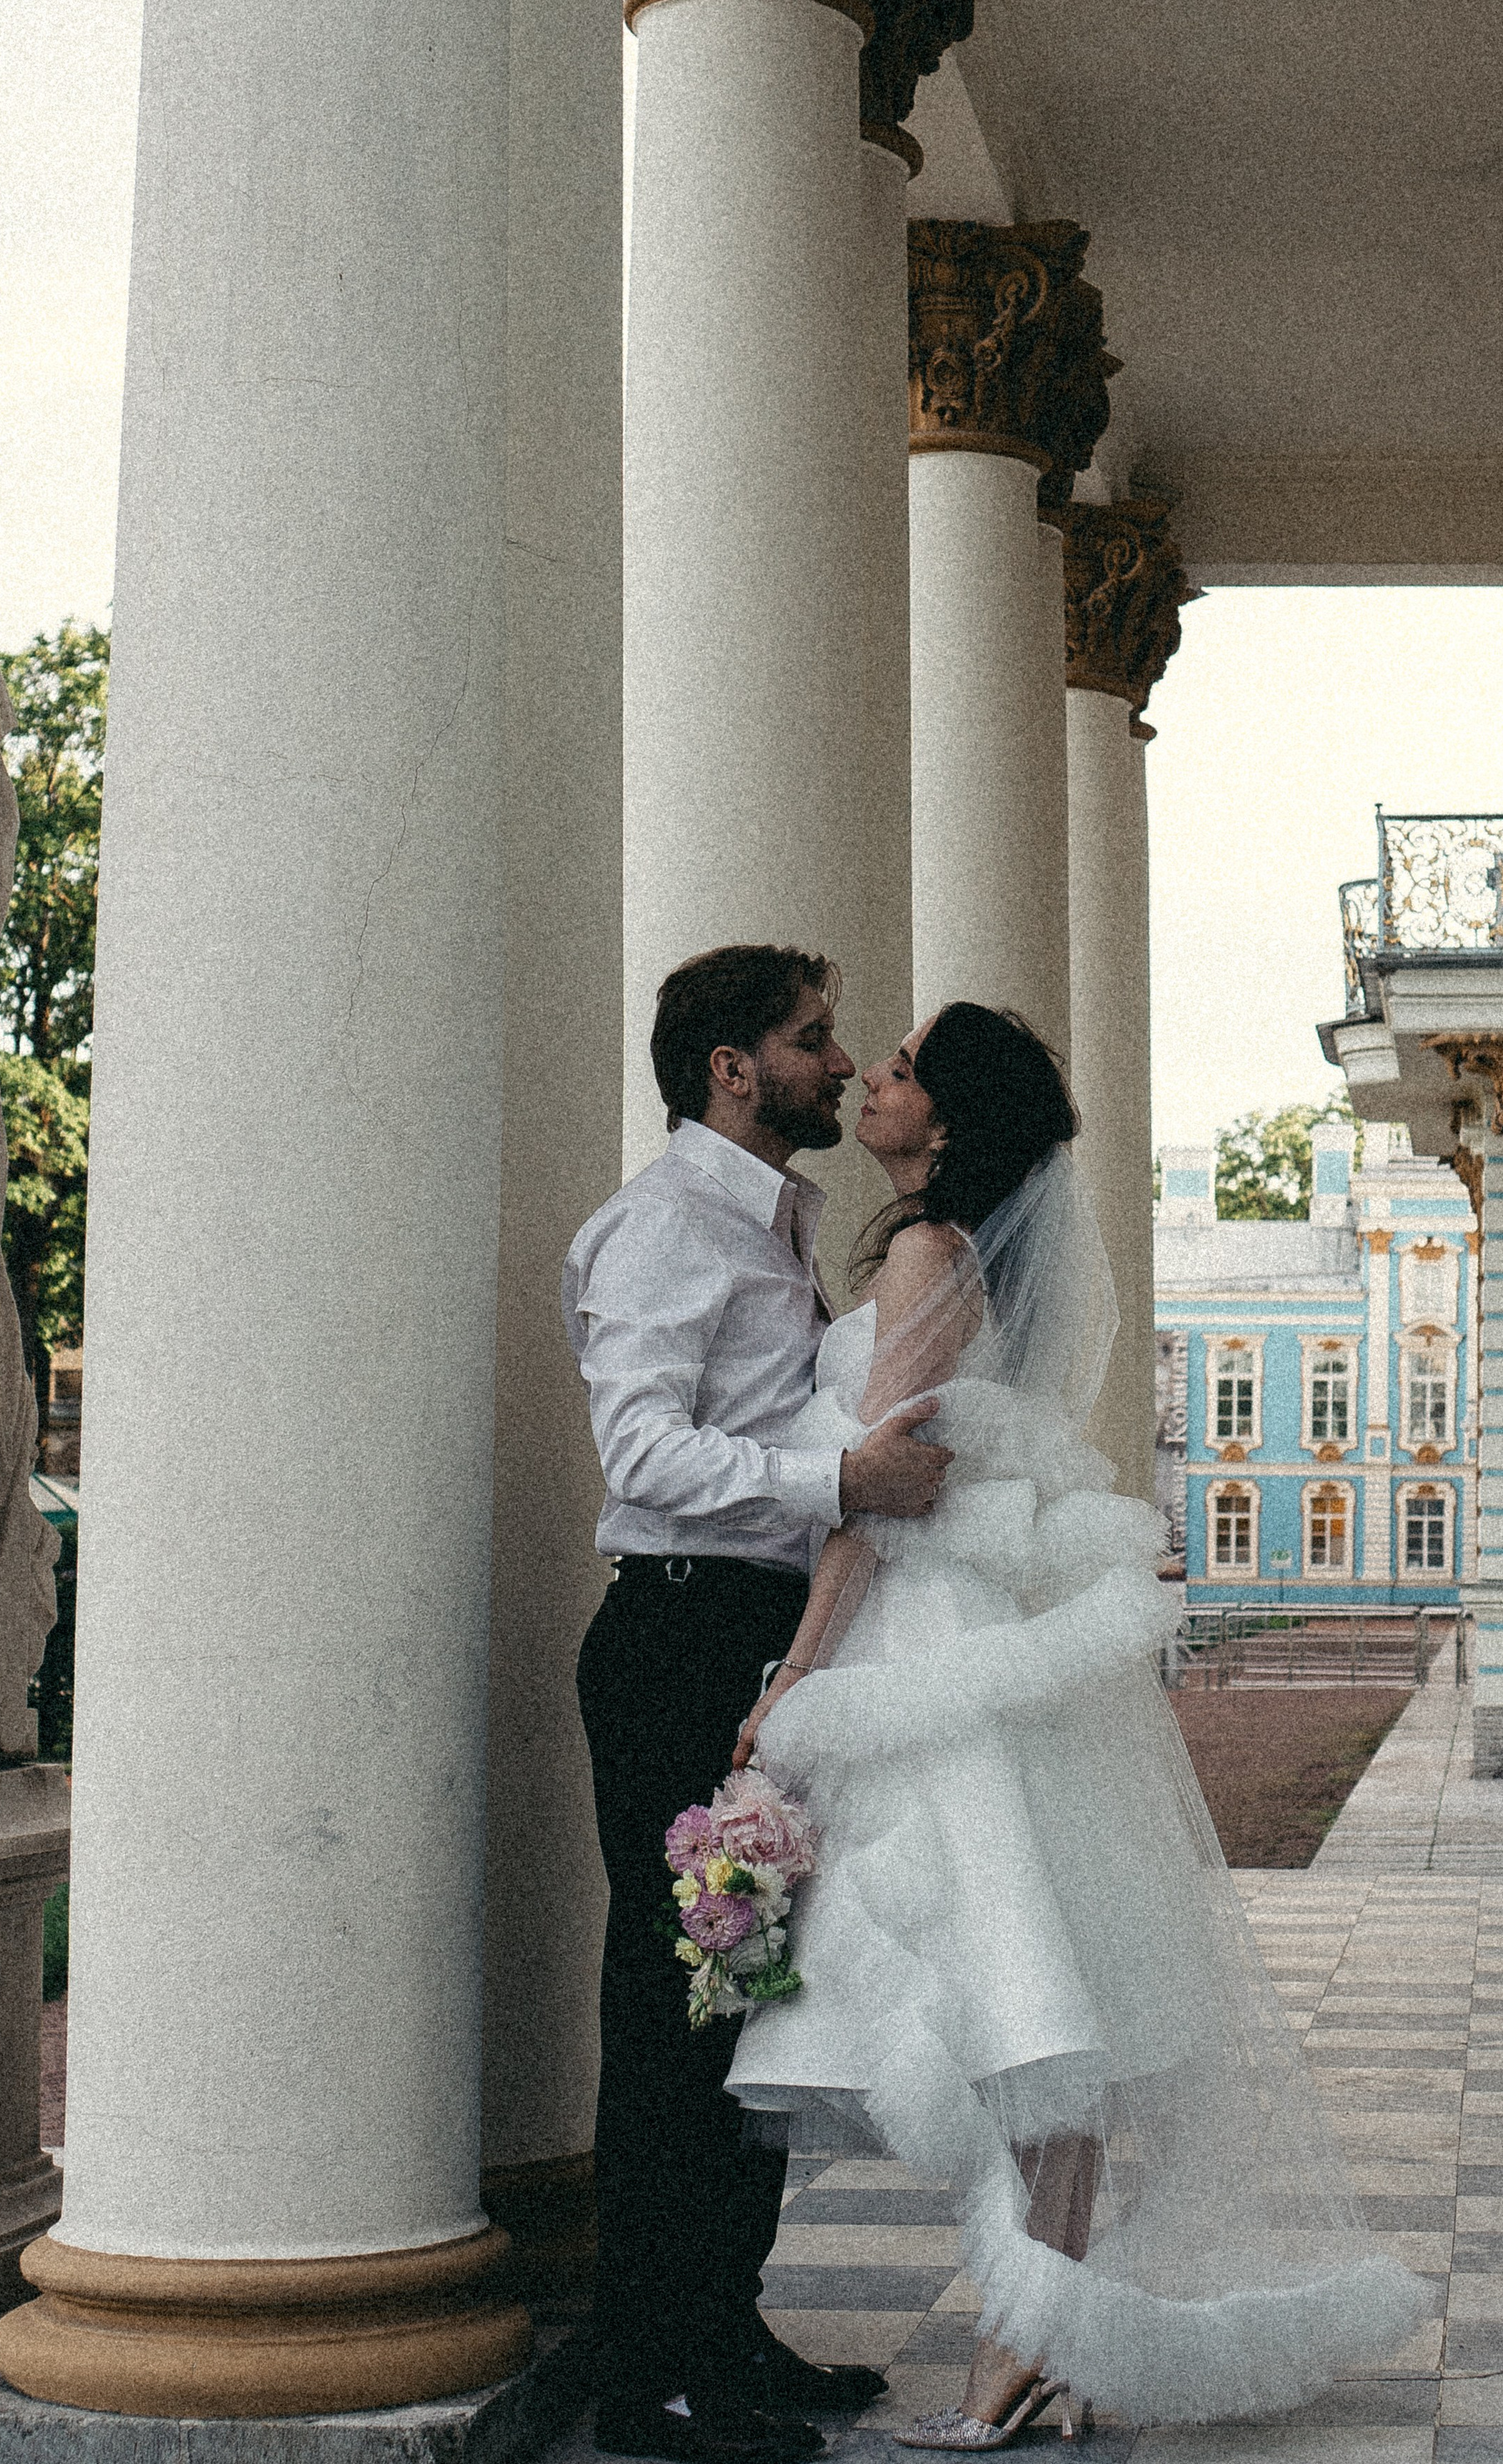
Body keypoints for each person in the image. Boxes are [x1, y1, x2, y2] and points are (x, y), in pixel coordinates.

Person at [727, 1003, 1429, 2443]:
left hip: (921, 1643)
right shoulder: (953, 1253)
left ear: (952, 1124)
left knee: (1023, 2007)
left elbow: (879, 1490)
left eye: (907, 1072)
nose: (873, 1078)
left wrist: (797, 1677)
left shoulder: (931, 1253)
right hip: (963, 1642)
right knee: (1037, 2007)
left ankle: (1022, 2343)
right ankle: (1034, 2338)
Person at [565, 945, 954, 2464]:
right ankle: (649, 2375)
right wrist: (836, 1478)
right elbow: (642, 1458)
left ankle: (720, 2332)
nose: (838, 1060)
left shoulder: (767, 1220)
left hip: (750, 1642)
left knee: (740, 2005)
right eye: (809, 1039)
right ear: (731, 1066)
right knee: (673, 2016)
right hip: (675, 1641)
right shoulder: (663, 1229)